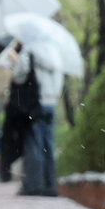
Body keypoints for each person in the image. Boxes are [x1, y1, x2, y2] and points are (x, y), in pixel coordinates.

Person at [11, 41, 63, 196]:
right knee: (47, 143)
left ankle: (33, 184)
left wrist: (17, 60)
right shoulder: (54, 50)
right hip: (51, 102)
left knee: (33, 143)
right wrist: (53, 95)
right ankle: (49, 184)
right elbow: (59, 79)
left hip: (36, 102)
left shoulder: (30, 49)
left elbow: (19, 75)